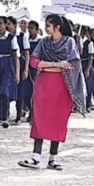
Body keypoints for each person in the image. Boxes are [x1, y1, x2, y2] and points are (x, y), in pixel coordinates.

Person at [22, 14, 84, 170]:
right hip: (44, 85)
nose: (45, 28)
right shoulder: (44, 43)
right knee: (40, 117)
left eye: (48, 25)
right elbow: (34, 61)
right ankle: (36, 157)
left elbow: (71, 65)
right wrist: (56, 64)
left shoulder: (69, 42)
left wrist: (46, 65)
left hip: (62, 86)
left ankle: (52, 158)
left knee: (58, 120)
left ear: (57, 27)